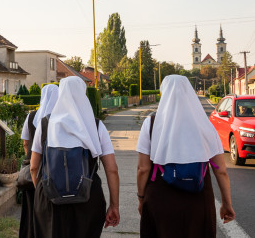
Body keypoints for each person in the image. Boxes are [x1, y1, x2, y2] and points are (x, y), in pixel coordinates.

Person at [136, 75, 235, 238]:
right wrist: (226, 203)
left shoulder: (151, 123)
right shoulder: (205, 124)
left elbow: (143, 168)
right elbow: (221, 170)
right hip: (198, 200)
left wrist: (141, 198)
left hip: (160, 199)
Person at [30, 76, 120, 238]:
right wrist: (114, 205)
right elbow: (112, 169)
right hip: (88, 198)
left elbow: (34, 167)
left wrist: (43, 193)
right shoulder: (96, 126)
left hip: (51, 199)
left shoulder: (45, 125)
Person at [19, 84, 59, 238]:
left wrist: (30, 158)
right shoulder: (58, 117)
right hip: (51, 168)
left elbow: (25, 142)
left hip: (32, 168)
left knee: (30, 207)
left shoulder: (31, 117)